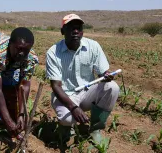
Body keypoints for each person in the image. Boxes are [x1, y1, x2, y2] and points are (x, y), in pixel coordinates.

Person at [46, 14, 119, 143]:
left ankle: (95, 128)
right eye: (71, 28)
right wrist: (74, 108)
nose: (75, 31)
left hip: (87, 93)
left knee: (112, 87)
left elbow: (102, 72)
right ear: (63, 31)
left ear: (82, 32)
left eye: (78, 28)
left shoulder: (93, 46)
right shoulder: (53, 52)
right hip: (66, 95)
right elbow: (56, 86)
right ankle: (67, 127)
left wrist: (106, 76)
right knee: (67, 119)